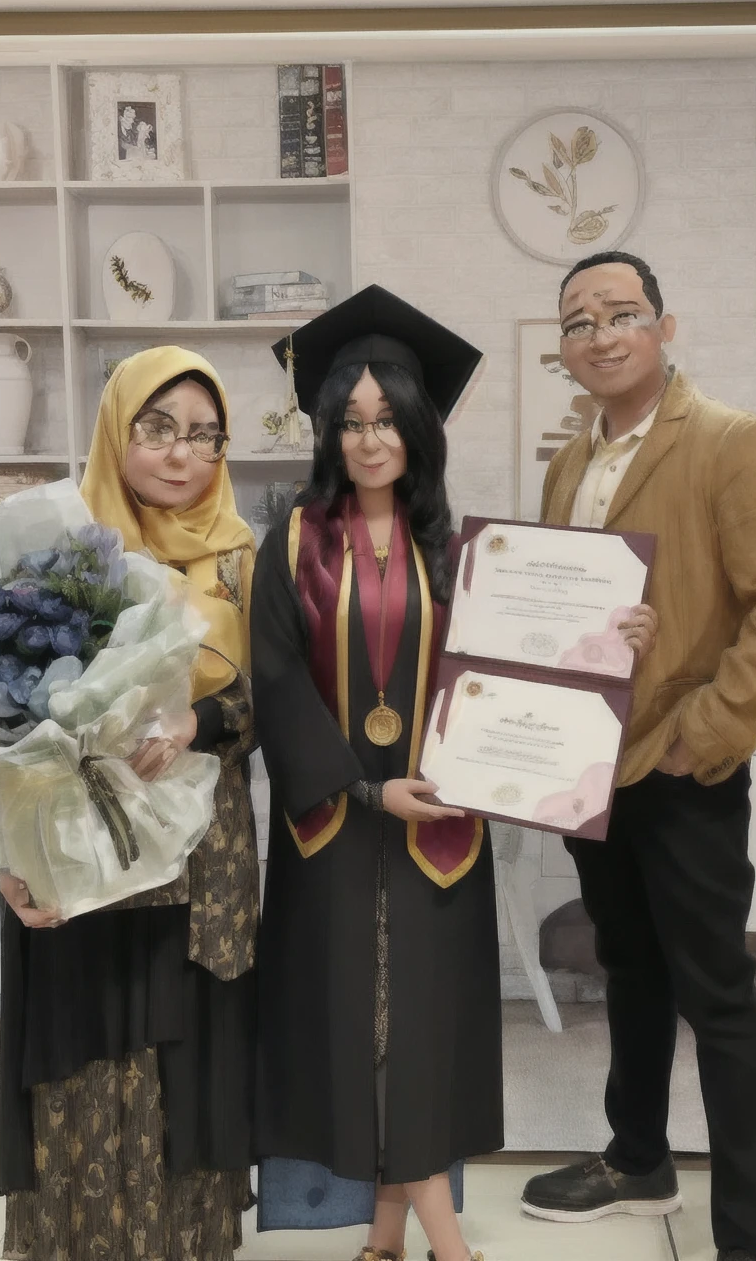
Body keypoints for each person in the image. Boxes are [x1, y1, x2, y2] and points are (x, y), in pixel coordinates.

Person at [524, 252, 756, 1261]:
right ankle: (637, 1156)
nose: (601, 333)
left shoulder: (734, 445)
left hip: (680, 769)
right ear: (562, 351)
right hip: (589, 767)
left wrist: (699, 737)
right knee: (629, 968)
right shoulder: (569, 463)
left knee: (719, 992)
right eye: (579, 321)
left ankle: (748, 1233)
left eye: (621, 313)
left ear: (667, 326)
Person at [0, 347, 259, 1261]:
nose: (182, 455)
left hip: (201, 851)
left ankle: (185, 1244)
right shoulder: (57, 549)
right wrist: (9, 855)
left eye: (203, 436)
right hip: (78, 844)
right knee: (86, 1050)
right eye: (158, 429)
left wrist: (203, 717)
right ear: (116, 427)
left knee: (183, 1056)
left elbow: (280, 700)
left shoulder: (240, 560)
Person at [251, 285, 502, 1261]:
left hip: (439, 825)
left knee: (419, 1035)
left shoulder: (461, 549)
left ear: (420, 426)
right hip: (336, 824)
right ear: (326, 430)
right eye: (349, 421)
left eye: (388, 418)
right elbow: (275, 678)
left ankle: (391, 1230)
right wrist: (362, 787)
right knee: (361, 1031)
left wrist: (605, 638)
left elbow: (511, 680)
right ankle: (448, 1239)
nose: (368, 440)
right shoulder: (296, 544)